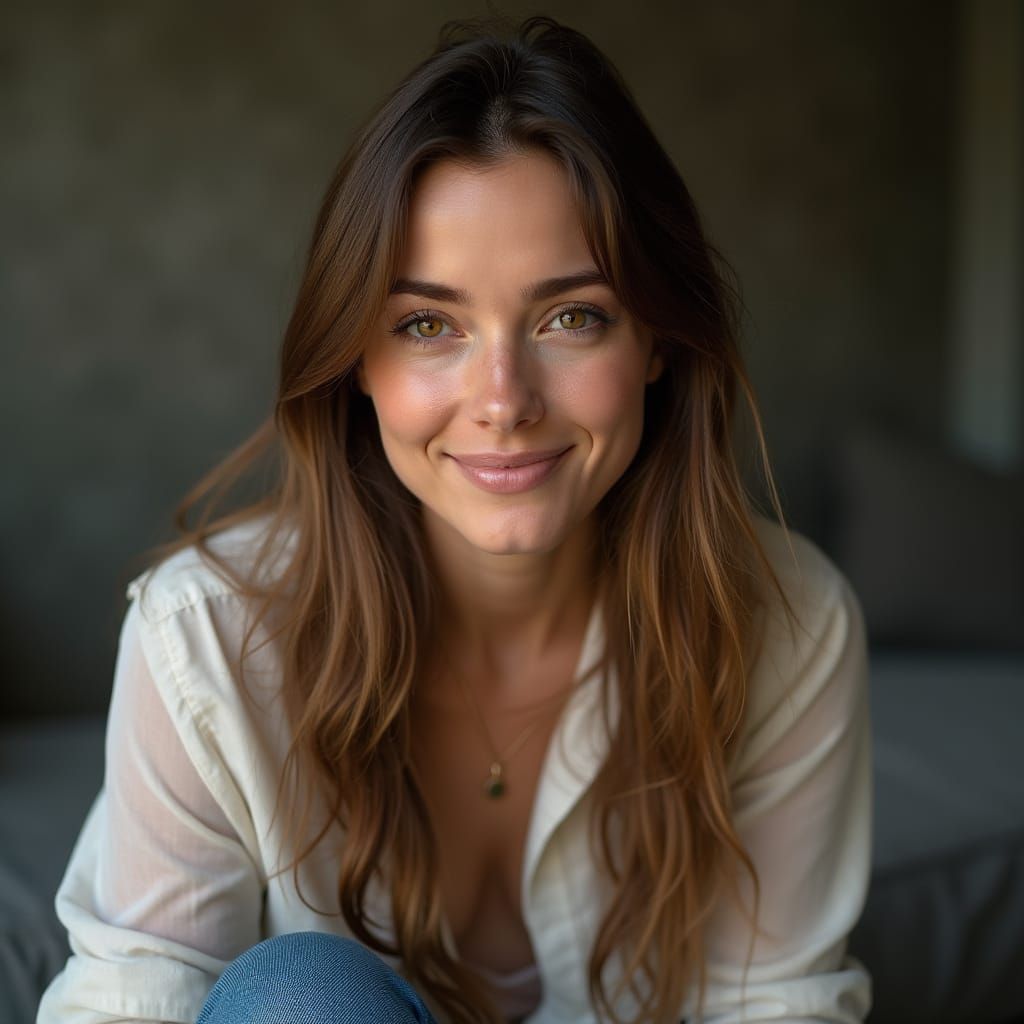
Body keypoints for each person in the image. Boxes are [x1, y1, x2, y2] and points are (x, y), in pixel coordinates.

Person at [37, 13, 872, 1024]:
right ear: (357, 361)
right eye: (427, 325)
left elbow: (775, 1007)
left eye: (573, 316)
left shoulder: (787, 624)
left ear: (656, 341)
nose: (503, 398)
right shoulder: (204, 638)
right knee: (302, 996)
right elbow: (132, 1002)